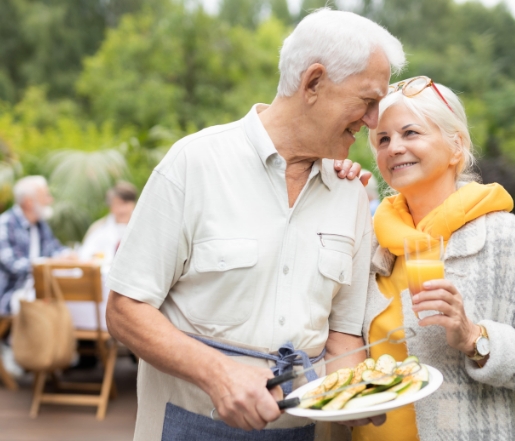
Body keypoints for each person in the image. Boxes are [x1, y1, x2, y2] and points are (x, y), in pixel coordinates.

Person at [105, 8, 405, 441]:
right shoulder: (194, 164)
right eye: (368, 100)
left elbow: (341, 335)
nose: (375, 119)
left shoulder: (350, 195)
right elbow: (125, 310)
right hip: (185, 423)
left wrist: (351, 397)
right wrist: (217, 374)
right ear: (314, 83)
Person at [353, 76, 515, 441]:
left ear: (456, 146)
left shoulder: (509, 240)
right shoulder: (367, 239)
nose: (394, 148)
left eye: (411, 133)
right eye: (383, 139)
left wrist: (476, 339)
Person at [0, 176, 68, 315]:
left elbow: (56, 248)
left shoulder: (40, 224)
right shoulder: (5, 225)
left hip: (39, 288)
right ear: (29, 202)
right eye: (45, 196)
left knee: (70, 299)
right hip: (10, 292)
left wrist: (67, 255)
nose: (50, 200)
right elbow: (12, 265)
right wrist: (46, 264)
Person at [80, 181, 138, 263]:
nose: (122, 209)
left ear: (134, 204)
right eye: (117, 204)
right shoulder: (97, 228)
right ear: (110, 207)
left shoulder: (144, 228)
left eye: (125, 203)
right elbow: (84, 255)